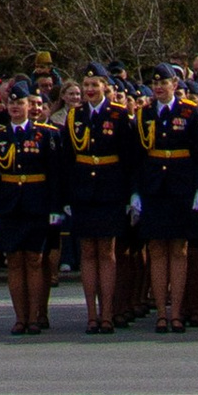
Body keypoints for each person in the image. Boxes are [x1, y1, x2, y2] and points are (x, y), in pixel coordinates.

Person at [0, 84, 61, 335]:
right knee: (15, 261)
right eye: (12, 104)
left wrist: (54, 207)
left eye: (21, 103)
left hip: (36, 203)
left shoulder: (46, 135)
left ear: (31, 107)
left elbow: (54, 175)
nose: (16, 107)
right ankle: (20, 317)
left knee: (35, 260)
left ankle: (37, 315)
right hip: (9, 205)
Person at [133, 63, 198, 334]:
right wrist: (136, 192)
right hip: (154, 189)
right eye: (156, 83)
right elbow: (138, 158)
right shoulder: (145, 114)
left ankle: (177, 312)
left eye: (165, 82)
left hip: (181, 187)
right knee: (157, 250)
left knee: (180, 249)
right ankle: (161, 311)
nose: (160, 87)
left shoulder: (189, 111)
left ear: (175, 84)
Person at [65, 69, 131, 335]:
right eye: (86, 84)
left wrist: (128, 195)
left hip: (109, 190)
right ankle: (91, 314)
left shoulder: (118, 115)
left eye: (94, 84)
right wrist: (68, 195)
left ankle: (107, 313)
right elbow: (68, 160)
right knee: (88, 252)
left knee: (107, 251)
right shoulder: (75, 116)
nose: (89, 89)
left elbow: (128, 158)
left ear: (105, 86)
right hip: (83, 191)